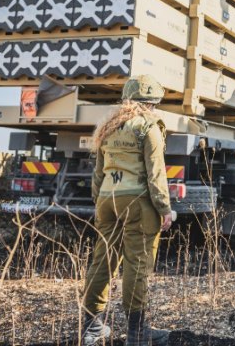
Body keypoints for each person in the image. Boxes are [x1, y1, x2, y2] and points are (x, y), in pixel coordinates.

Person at [81, 74, 174, 346]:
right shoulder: (149, 126)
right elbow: (156, 174)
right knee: (138, 263)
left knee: (103, 259)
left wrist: (98, 203)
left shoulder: (109, 126)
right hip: (137, 201)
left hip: (107, 200)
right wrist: (164, 208)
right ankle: (137, 332)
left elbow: (98, 174)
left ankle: (90, 327)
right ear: (152, 103)